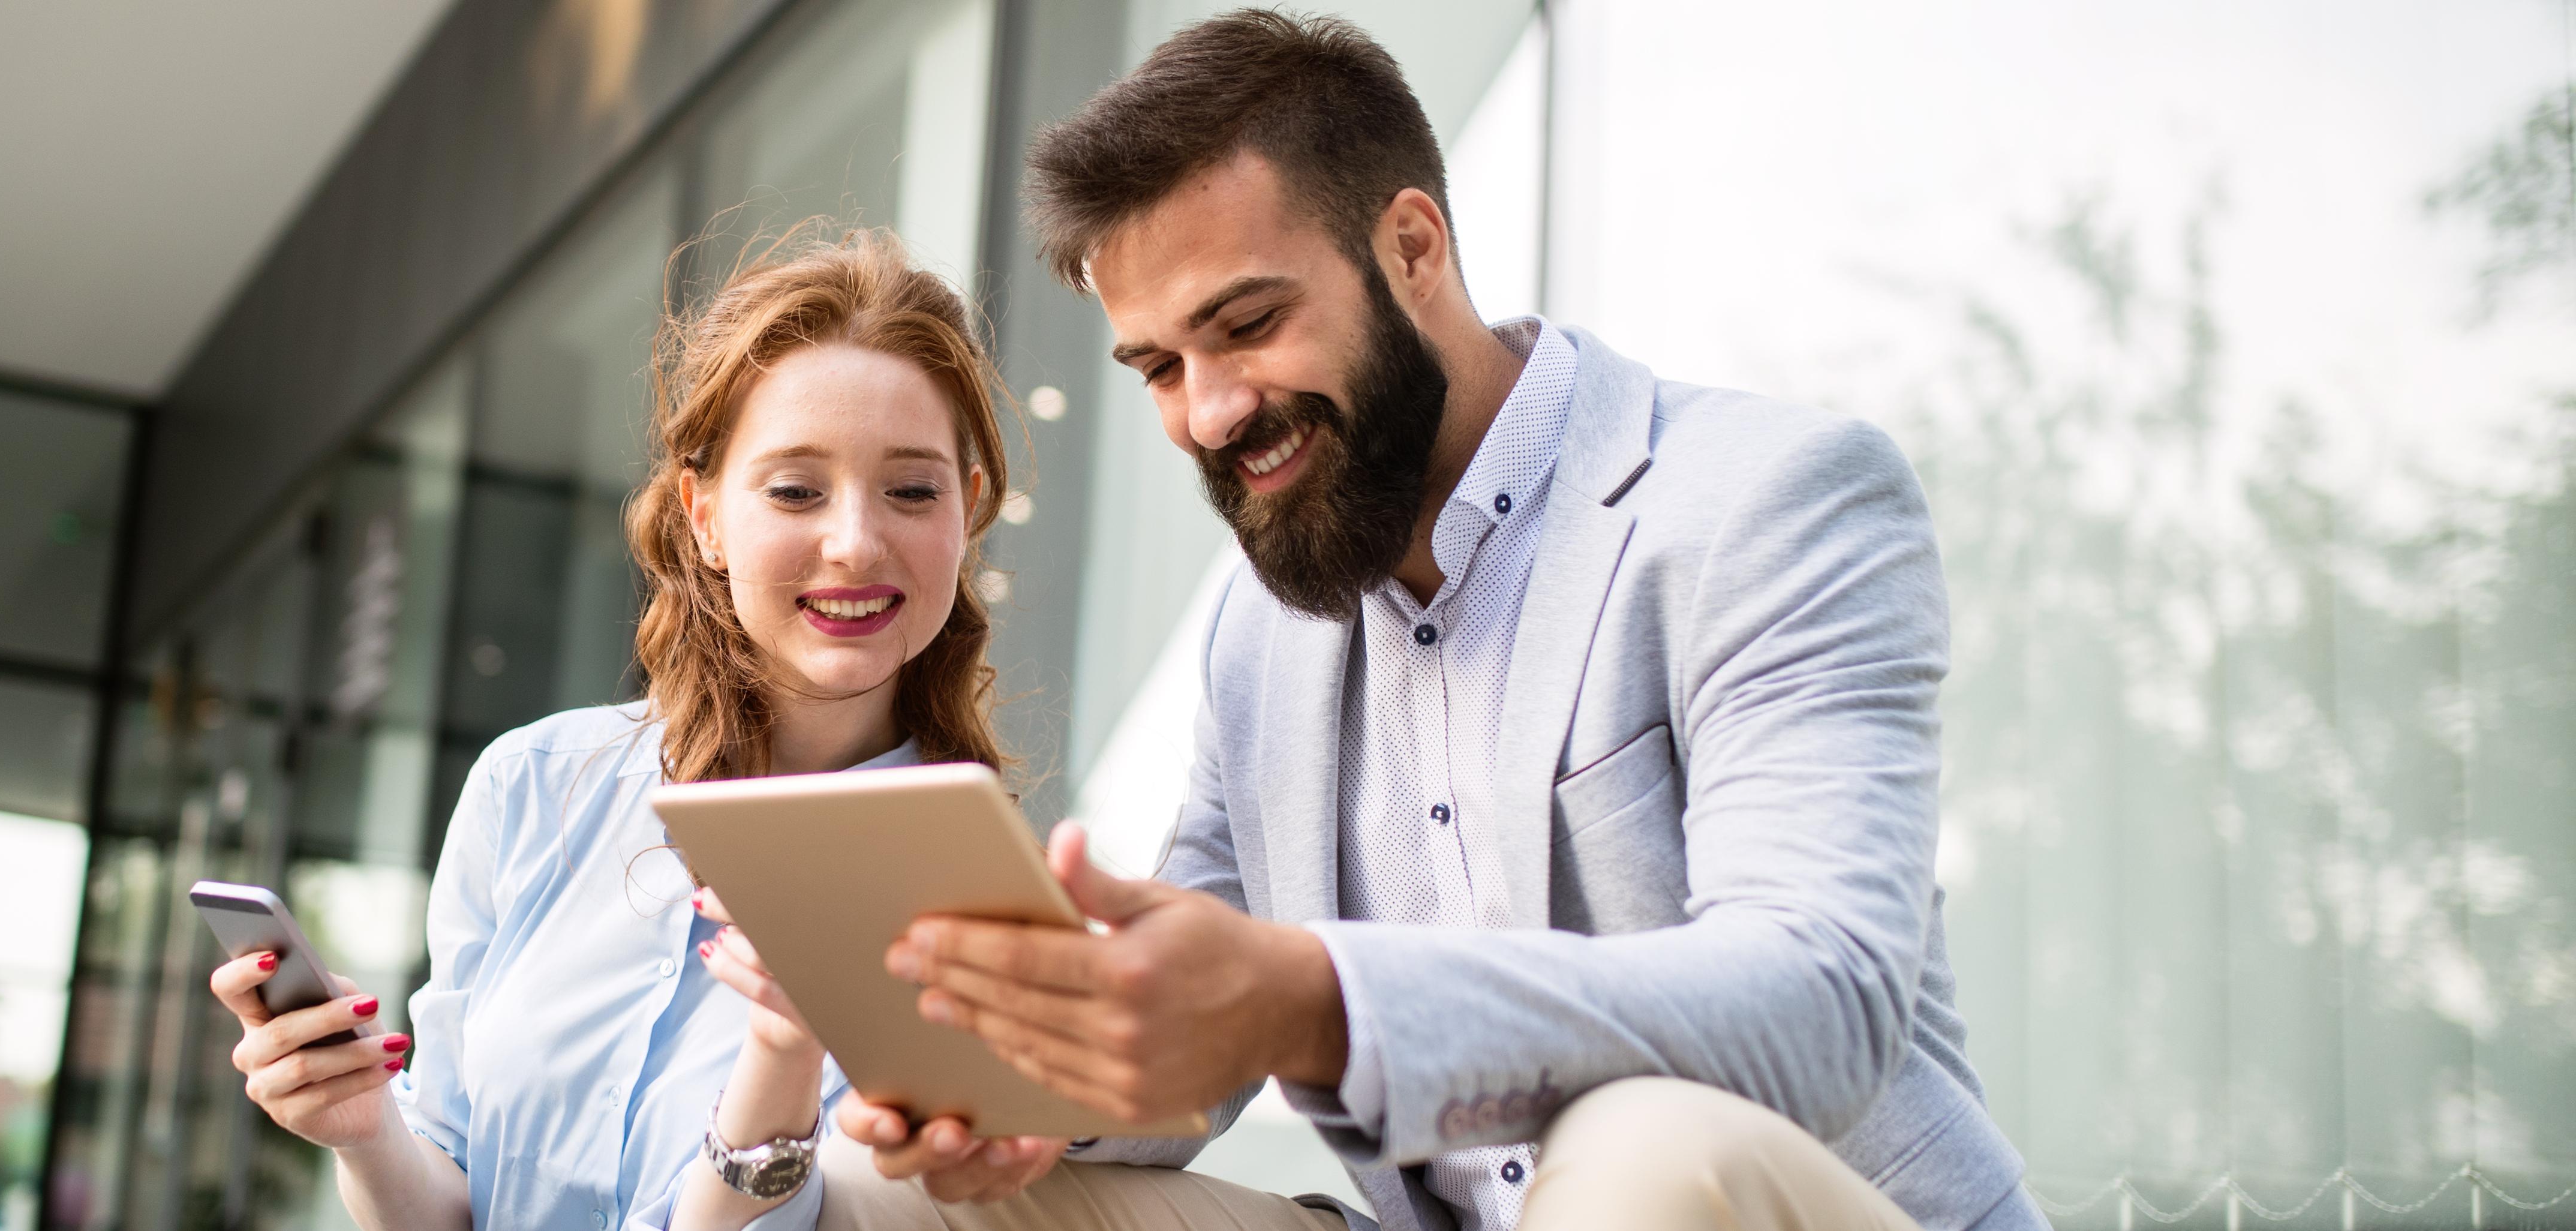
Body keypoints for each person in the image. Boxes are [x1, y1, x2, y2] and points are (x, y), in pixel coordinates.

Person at [850, 13, 2043, 1231]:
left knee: (1642, 1138)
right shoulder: (1257, 640)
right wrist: (1026, 1071)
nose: (1206, 413)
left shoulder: (1767, 501)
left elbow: (1820, 1002)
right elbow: (1202, 1027)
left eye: (1248, 325)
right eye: (1158, 367)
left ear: (1413, 248)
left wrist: (1315, 1002)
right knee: (883, 1200)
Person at [202, 229, 1322, 1231]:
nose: (854, 544)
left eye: (912, 493)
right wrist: (360, 1128)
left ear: (968, 513)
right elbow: (444, 1197)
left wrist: (786, 1055)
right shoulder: (532, 788)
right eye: (794, 492)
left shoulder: (976, 900)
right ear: (705, 518)